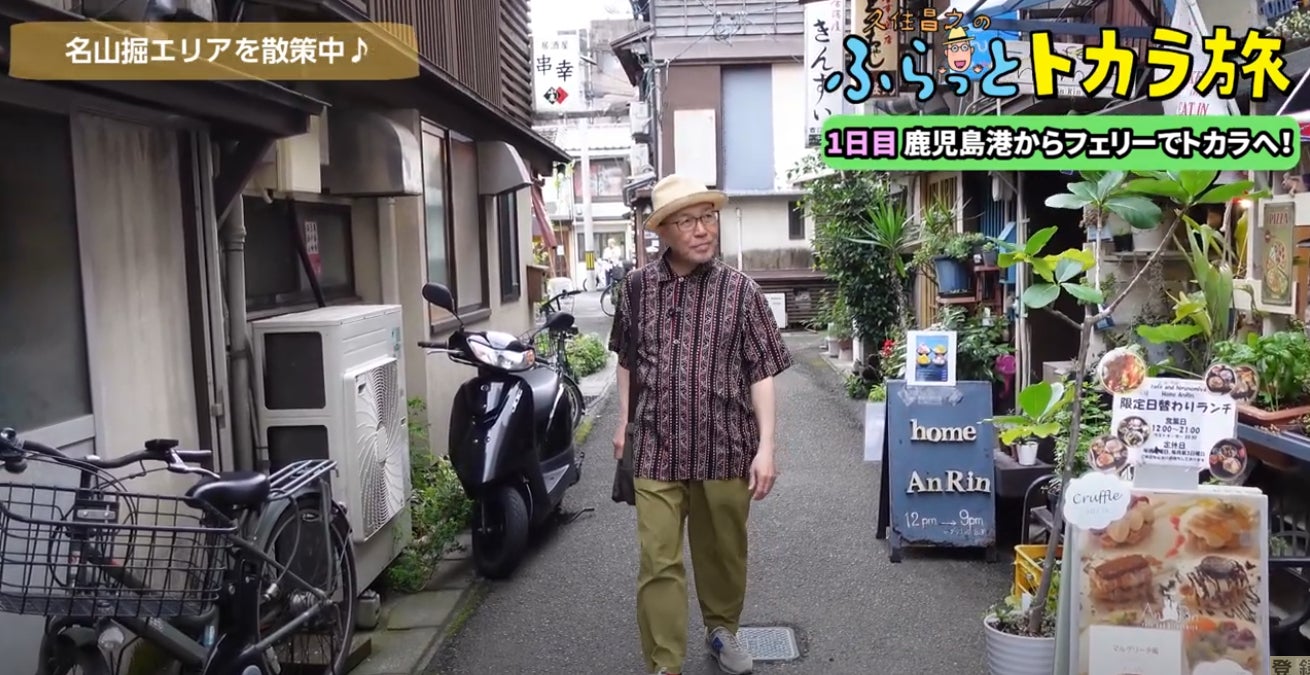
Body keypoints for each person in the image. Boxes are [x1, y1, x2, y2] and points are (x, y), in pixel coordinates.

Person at [609, 174, 792, 675]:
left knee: (722, 553)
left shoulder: (742, 291)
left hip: (725, 446)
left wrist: (766, 447)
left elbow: (761, 372)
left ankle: (721, 629)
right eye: (687, 221)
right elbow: (626, 358)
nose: (702, 229)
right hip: (655, 445)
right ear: (663, 231)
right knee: (658, 560)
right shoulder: (636, 289)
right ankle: (665, 663)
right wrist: (624, 422)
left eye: (707, 217)